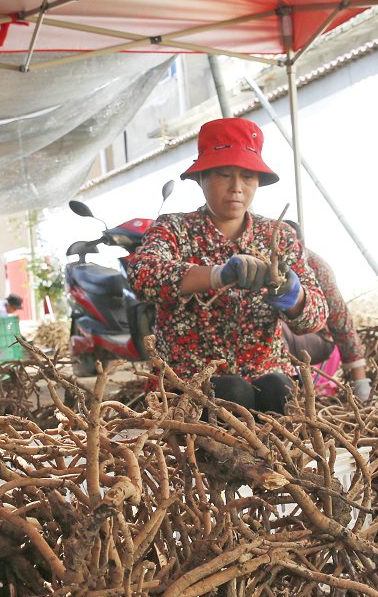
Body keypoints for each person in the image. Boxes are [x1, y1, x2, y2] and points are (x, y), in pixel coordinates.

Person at [132, 117, 327, 413]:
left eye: (247, 177)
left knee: (281, 390)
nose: (237, 188)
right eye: (224, 175)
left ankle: (273, 444)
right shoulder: (174, 229)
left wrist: (293, 295)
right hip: (189, 381)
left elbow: (316, 318)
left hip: (265, 373)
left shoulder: (277, 236)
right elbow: (142, 276)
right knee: (232, 392)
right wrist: (217, 274)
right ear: (201, 178)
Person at [280, 219, 372, 402]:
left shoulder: (314, 265)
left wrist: (360, 384)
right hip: (272, 341)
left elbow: (340, 320)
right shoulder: (261, 257)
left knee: (277, 329)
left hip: (316, 338)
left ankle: (285, 390)